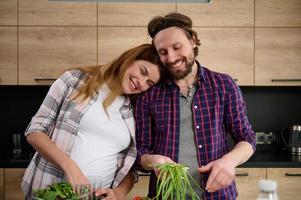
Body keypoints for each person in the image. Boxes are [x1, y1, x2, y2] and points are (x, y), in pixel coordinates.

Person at [134, 13, 256, 200]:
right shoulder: (150, 93)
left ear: (193, 40)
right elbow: (141, 149)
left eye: (177, 47)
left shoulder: (224, 84)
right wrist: (152, 161)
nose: (172, 57)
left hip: (218, 196)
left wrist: (229, 161)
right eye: (163, 52)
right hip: (165, 196)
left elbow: (247, 138)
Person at [21, 43, 164, 200]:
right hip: (54, 191)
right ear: (129, 60)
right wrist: (70, 167)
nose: (142, 83)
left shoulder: (134, 108)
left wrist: (118, 193)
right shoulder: (74, 80)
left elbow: (129, 168)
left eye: (149, 83)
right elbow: (35, 132)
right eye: (142, 72)